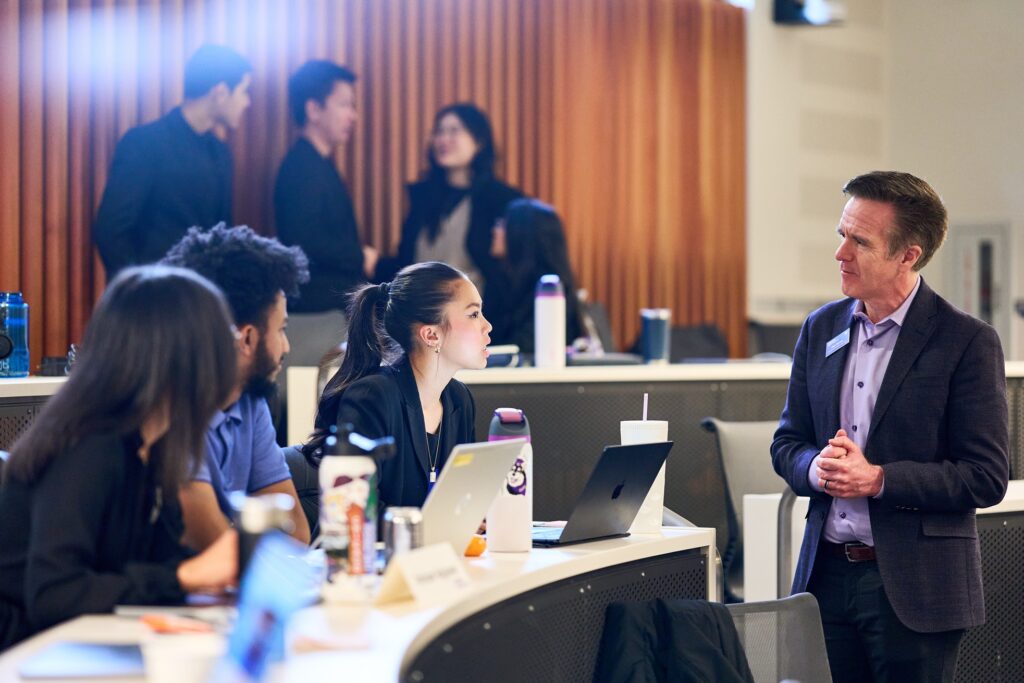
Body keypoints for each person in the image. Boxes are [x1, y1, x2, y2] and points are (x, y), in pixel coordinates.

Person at [771, 171, 1009, 683]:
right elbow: (787, 442)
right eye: (841, 235)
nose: (840, 253)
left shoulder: (966, 341)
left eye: (860, 241)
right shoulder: (821, 328)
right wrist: (815, 467)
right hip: (825, 579)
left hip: (915, 588)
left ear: (908, 255)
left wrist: (877, 479)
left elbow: (985, 477)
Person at [0, 266, 239, 650]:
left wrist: (209, 576)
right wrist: (185, 577)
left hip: (81, 646)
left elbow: (155, 566)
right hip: (27, 655)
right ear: (181, 357)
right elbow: (54, 594)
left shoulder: (155, 446)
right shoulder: (89, 445)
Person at [162, 224, 311, 550]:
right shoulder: (168, 405)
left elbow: (297, 534)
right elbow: (211, 543)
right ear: (247, 338)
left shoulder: (250, 401)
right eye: (281, 329)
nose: (286, 347)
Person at [302, 262, 489, 510]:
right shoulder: (371, 397)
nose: (487, 326)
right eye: (474, 314)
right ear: (431, 335)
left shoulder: (459, 399)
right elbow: (355, 508)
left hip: (434, 548)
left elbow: (461, 499)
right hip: (363, 547)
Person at [94, 44, 252, 278]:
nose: (247, 102)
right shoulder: (145, 143)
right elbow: (111, 231)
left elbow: (223, 234)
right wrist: (138, 289)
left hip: (203, 300)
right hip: (150, 300)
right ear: (219, 92)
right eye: (243, 91)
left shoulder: (220, 153)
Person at [375, 103, 522, 298]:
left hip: (479, 315)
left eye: (454, 131)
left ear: (478, 142)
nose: (443, 139)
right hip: (421, 312)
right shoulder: (423, 197)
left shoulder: (501, 200)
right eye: (439, 132)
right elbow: (406, 261)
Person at [274, 59, 377, 314]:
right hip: (317, 310)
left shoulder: (317, 163)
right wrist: (359, 256)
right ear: (313, 110)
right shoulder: (301, 166)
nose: (353, 115)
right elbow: (305, 240)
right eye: (344, 105)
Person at [488, 198, 585, 353]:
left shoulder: (549, 289)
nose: (495, 231)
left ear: (522, 235)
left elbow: (525, 348)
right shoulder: (505, 283)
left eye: (503, 225)